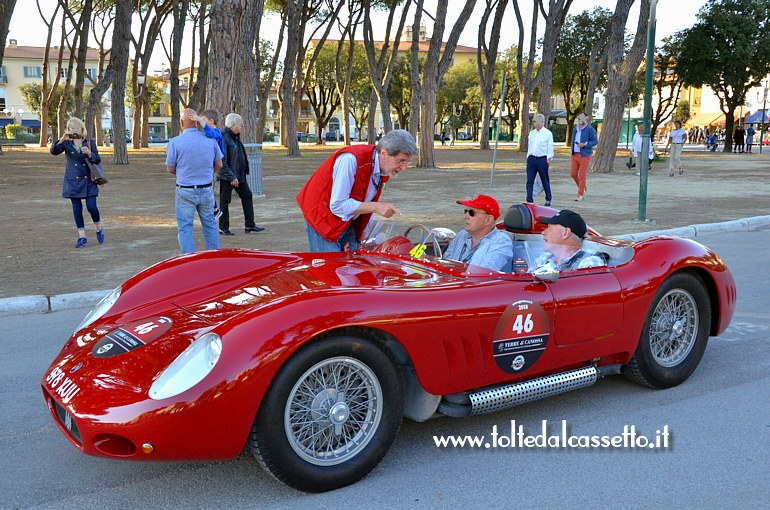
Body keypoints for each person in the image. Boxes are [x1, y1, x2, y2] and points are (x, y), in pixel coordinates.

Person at [297, 129, 417, 252]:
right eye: (401, 161)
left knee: (351, 265)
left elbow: (368, 198)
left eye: (407, 162)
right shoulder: (351, 159)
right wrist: (377, 207)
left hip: (348, 220)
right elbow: (338, 205)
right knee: (329, 266)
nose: (404, 168)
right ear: (384, 153)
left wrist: (364, 230)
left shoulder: (384, 168)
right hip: (322, 218)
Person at [166, 108, 222, 254]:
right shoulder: (210, 140)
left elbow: (170, 168)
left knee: (185, 227)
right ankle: (214, 255)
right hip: (206, 188)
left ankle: (188, 258)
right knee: (209, 223)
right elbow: (219, 164)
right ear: (197, 122)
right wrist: (207, 173)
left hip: (185, 189)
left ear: (181, 123)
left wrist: (185, 173)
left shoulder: (175, 142)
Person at [51, 117, 105, 248]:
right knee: (77, 209)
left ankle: (98, 228)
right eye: (71, 128)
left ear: (82, 129)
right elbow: (53, 152)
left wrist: (90, 154)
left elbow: (97, 160)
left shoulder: (89, 142)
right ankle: (82, 237)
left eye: (77, 128)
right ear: (68, 130)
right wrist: (62, 139)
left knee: (92, 206)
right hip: (72, 181)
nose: (74, 131)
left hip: (89, 181)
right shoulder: (66, 143)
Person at [217, 113, 264, 236]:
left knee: (247, 196)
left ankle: (250, 225)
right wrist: (231, 177)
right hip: (228, 177)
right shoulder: (224, 137)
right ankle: (223, 228)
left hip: (240, 175)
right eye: (240, 123)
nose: (242, 125)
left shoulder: (235, 136)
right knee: (225, 202)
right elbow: (222, 161)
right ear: (232, 124)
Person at [443, 194, 513, 272]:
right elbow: (445, 265)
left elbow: (481, 274)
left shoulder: (501, 241)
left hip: (475, 283)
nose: (466, 216)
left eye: (471, 213)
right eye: (465, 211)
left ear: (488, 219)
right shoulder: (462, 235)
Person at [533, 209, 605, 271]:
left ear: (565, 233)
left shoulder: (588, 262)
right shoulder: (545, 258)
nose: (543, 232)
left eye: (549, 228)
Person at [194, 109, 224, 221]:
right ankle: (215, 209)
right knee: (207, 187)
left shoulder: (216, 133)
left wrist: (198, 120)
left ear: (211, 121)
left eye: (203, 120)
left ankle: (215, 210)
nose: (201, 123)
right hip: (208, 162)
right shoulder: (208, 133)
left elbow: (210, 133)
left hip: (213, 162)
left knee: (207, 187)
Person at [525, 113, 554, 206]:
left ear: (542, 122)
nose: (534, 123)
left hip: (542, 159)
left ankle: (548, 198)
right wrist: (528, 157)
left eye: (536, 121)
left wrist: (549, 158)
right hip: (532, 159)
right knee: (530, 180)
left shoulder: (547, 134)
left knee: (544, 180)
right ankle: (529, 200)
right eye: (533, 121)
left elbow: (550, 146)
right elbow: (530, 146)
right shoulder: (532, 134)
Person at [569, 112, 598, 201]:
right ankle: (583, 188)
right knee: (573, 174)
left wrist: (585, 144)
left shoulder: (590, 129)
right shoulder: (575, 129)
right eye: (579, 118)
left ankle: (580, 194)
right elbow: (573, 140)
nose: (580, 120)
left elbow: (595, 141)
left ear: (586, 119)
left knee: (582, 175)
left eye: (582, 118)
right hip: (575, 155)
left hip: (584, 155)